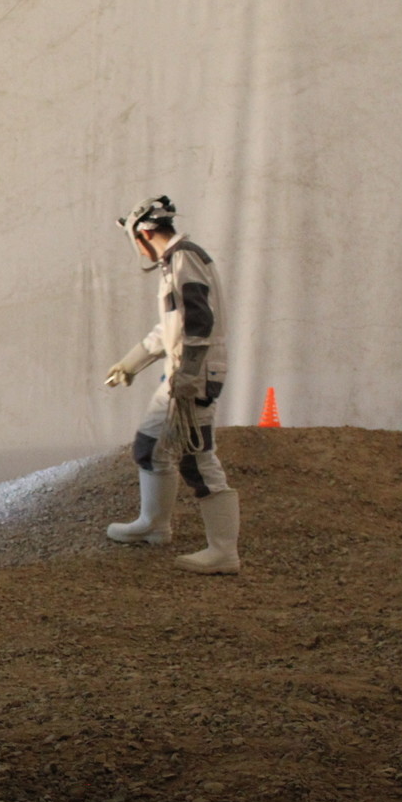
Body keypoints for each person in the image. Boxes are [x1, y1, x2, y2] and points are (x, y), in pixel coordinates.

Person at [103, 195, 240, 574]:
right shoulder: (175, 262)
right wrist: (131, 363)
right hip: (183, 373)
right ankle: (154, 524)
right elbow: (170, 328)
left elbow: (198, 323)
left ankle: (223, 551)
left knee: (197, 457)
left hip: (192, 376)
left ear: (144, 234)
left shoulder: (183, 260)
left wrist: (189, 376)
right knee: (150, 447)